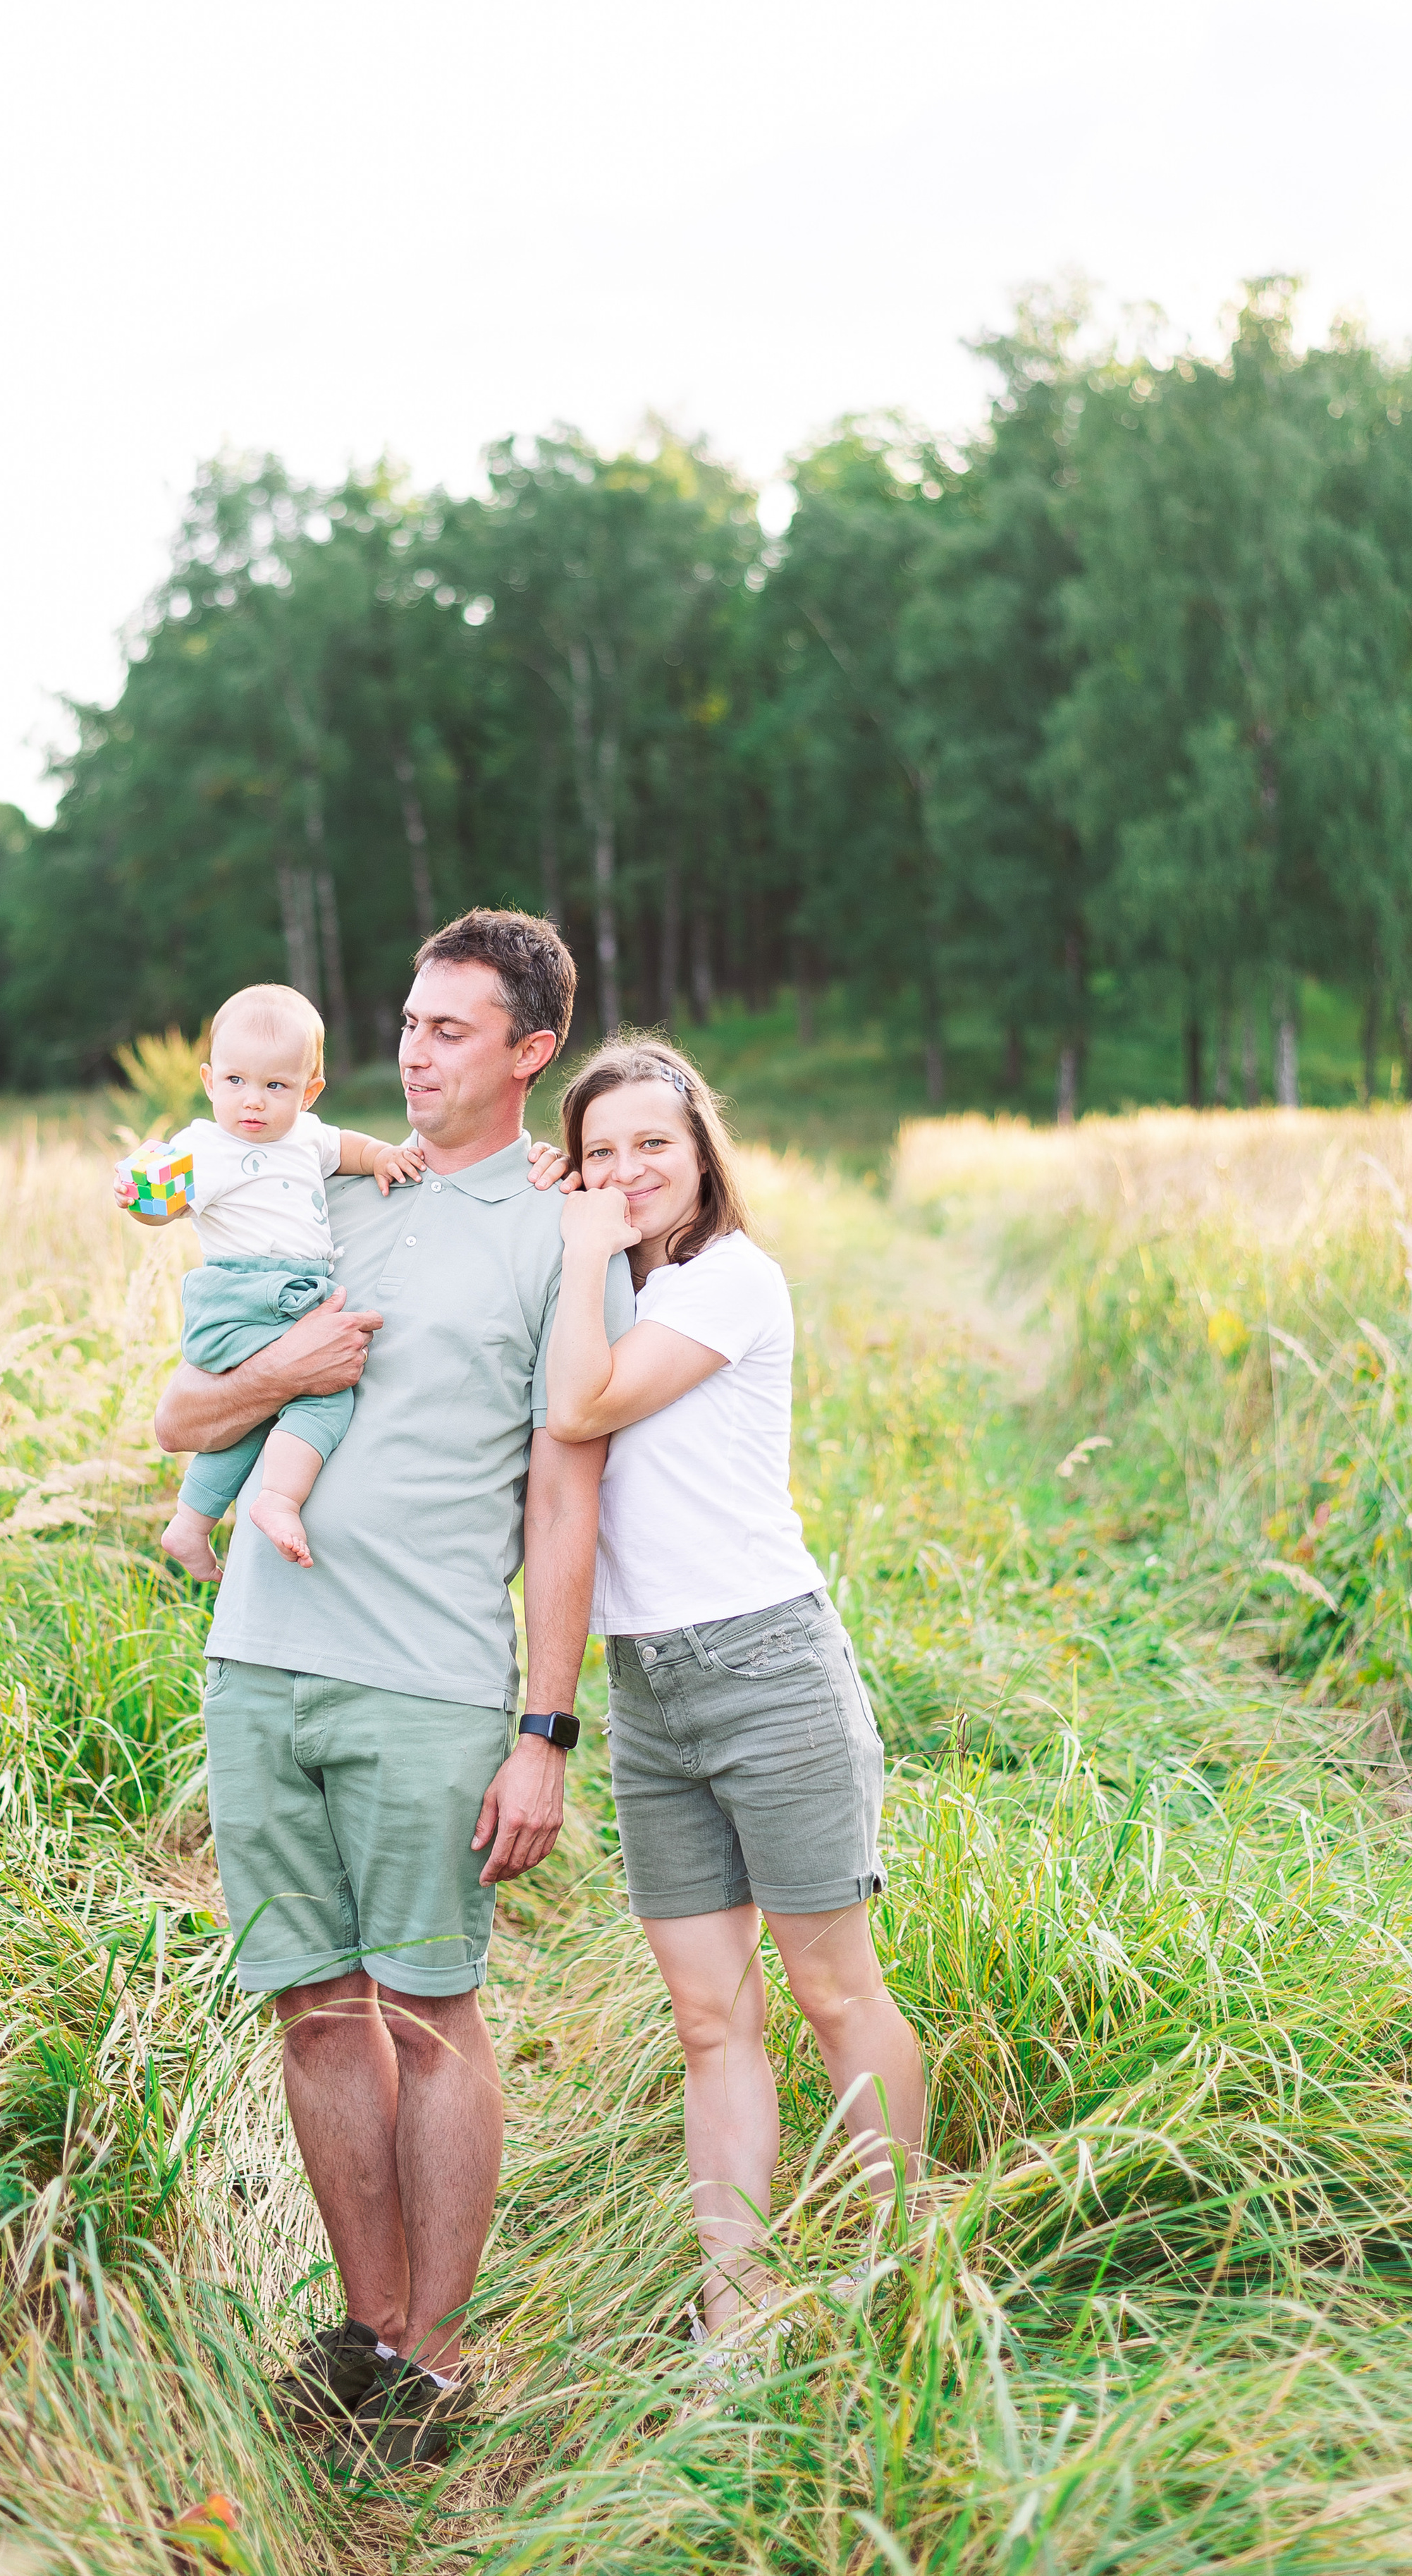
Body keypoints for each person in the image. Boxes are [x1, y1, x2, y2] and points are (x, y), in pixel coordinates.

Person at [152, 912, 632, 2463]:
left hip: (428, 1678)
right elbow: (181, 1416)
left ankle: (433, 2358)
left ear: (529, 1052)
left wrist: (544, 1728)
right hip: (258, 1663)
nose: (413, 1052)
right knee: (311, 2009)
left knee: (427, 2011)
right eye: (409, 1021)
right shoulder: (320, 1189)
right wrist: (282, 1372)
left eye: (450, 1029)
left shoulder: (560, 1233)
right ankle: (365, 2330)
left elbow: (564, 1500)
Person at [539, 1037, 926, 2336]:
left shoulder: (731, 1278)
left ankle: (901, 2265)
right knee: (710, 2019)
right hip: (649, 1691)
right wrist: (562, 1229)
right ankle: (736, 2304)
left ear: (703, 1149)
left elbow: (582, 1406)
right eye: (599, 1150)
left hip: (767, 1669)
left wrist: (576, 1244)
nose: (627, 1168)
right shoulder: (611, 1282)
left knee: (834, 1992)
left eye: (653, 1142)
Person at [114, 982, 422, 1576]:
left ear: (309, 1092)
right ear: (209, 1082)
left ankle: (191, 1523)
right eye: (236, 1081)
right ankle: (278, 1500)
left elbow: (346, 1148)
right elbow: (165, 1207)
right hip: (245, 1296)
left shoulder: (306, 1135)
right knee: (326, 1396)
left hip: (282, 1296)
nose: (252, 1102)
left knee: (252, 1415)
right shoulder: (203, 1145)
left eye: (275, 1086)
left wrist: (382, 1156)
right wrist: (139, 1201)